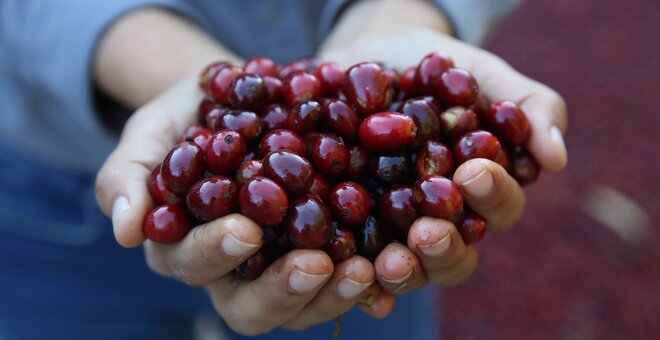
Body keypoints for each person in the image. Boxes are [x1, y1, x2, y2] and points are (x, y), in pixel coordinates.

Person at [0, 0, 568, 338]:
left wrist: (400, 11)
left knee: (371, 274)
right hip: (43, 194)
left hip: (362, 267)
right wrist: (166, 66)